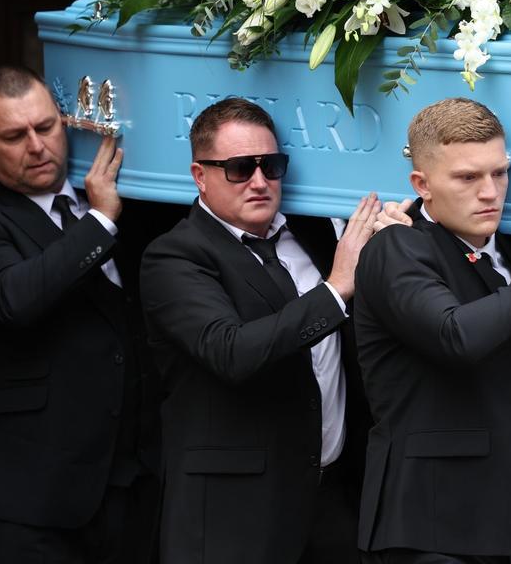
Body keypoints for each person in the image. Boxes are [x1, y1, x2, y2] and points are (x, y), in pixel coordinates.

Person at [0, 65, 161, 563]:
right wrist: (99, 220)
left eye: (46, 127)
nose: (36, 147)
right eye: (14, 136)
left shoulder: (126, 202)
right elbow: (15, 299)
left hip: (125, 493)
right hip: (23, 504)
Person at [355, 97, 511, 564]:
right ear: (421, 185)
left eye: (500, 172)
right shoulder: (396, 247)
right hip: (436, 528)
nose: (491, 192)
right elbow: (456, 336)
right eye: (467, 177)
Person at [139, 97, 378, 564]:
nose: (259, 181)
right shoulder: (174, 256)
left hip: (332, 498)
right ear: (199, 175)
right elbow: (231, 352)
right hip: (234, 514)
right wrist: (335, 290)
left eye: (271, 166)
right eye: (239, 168)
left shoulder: (313, 235)